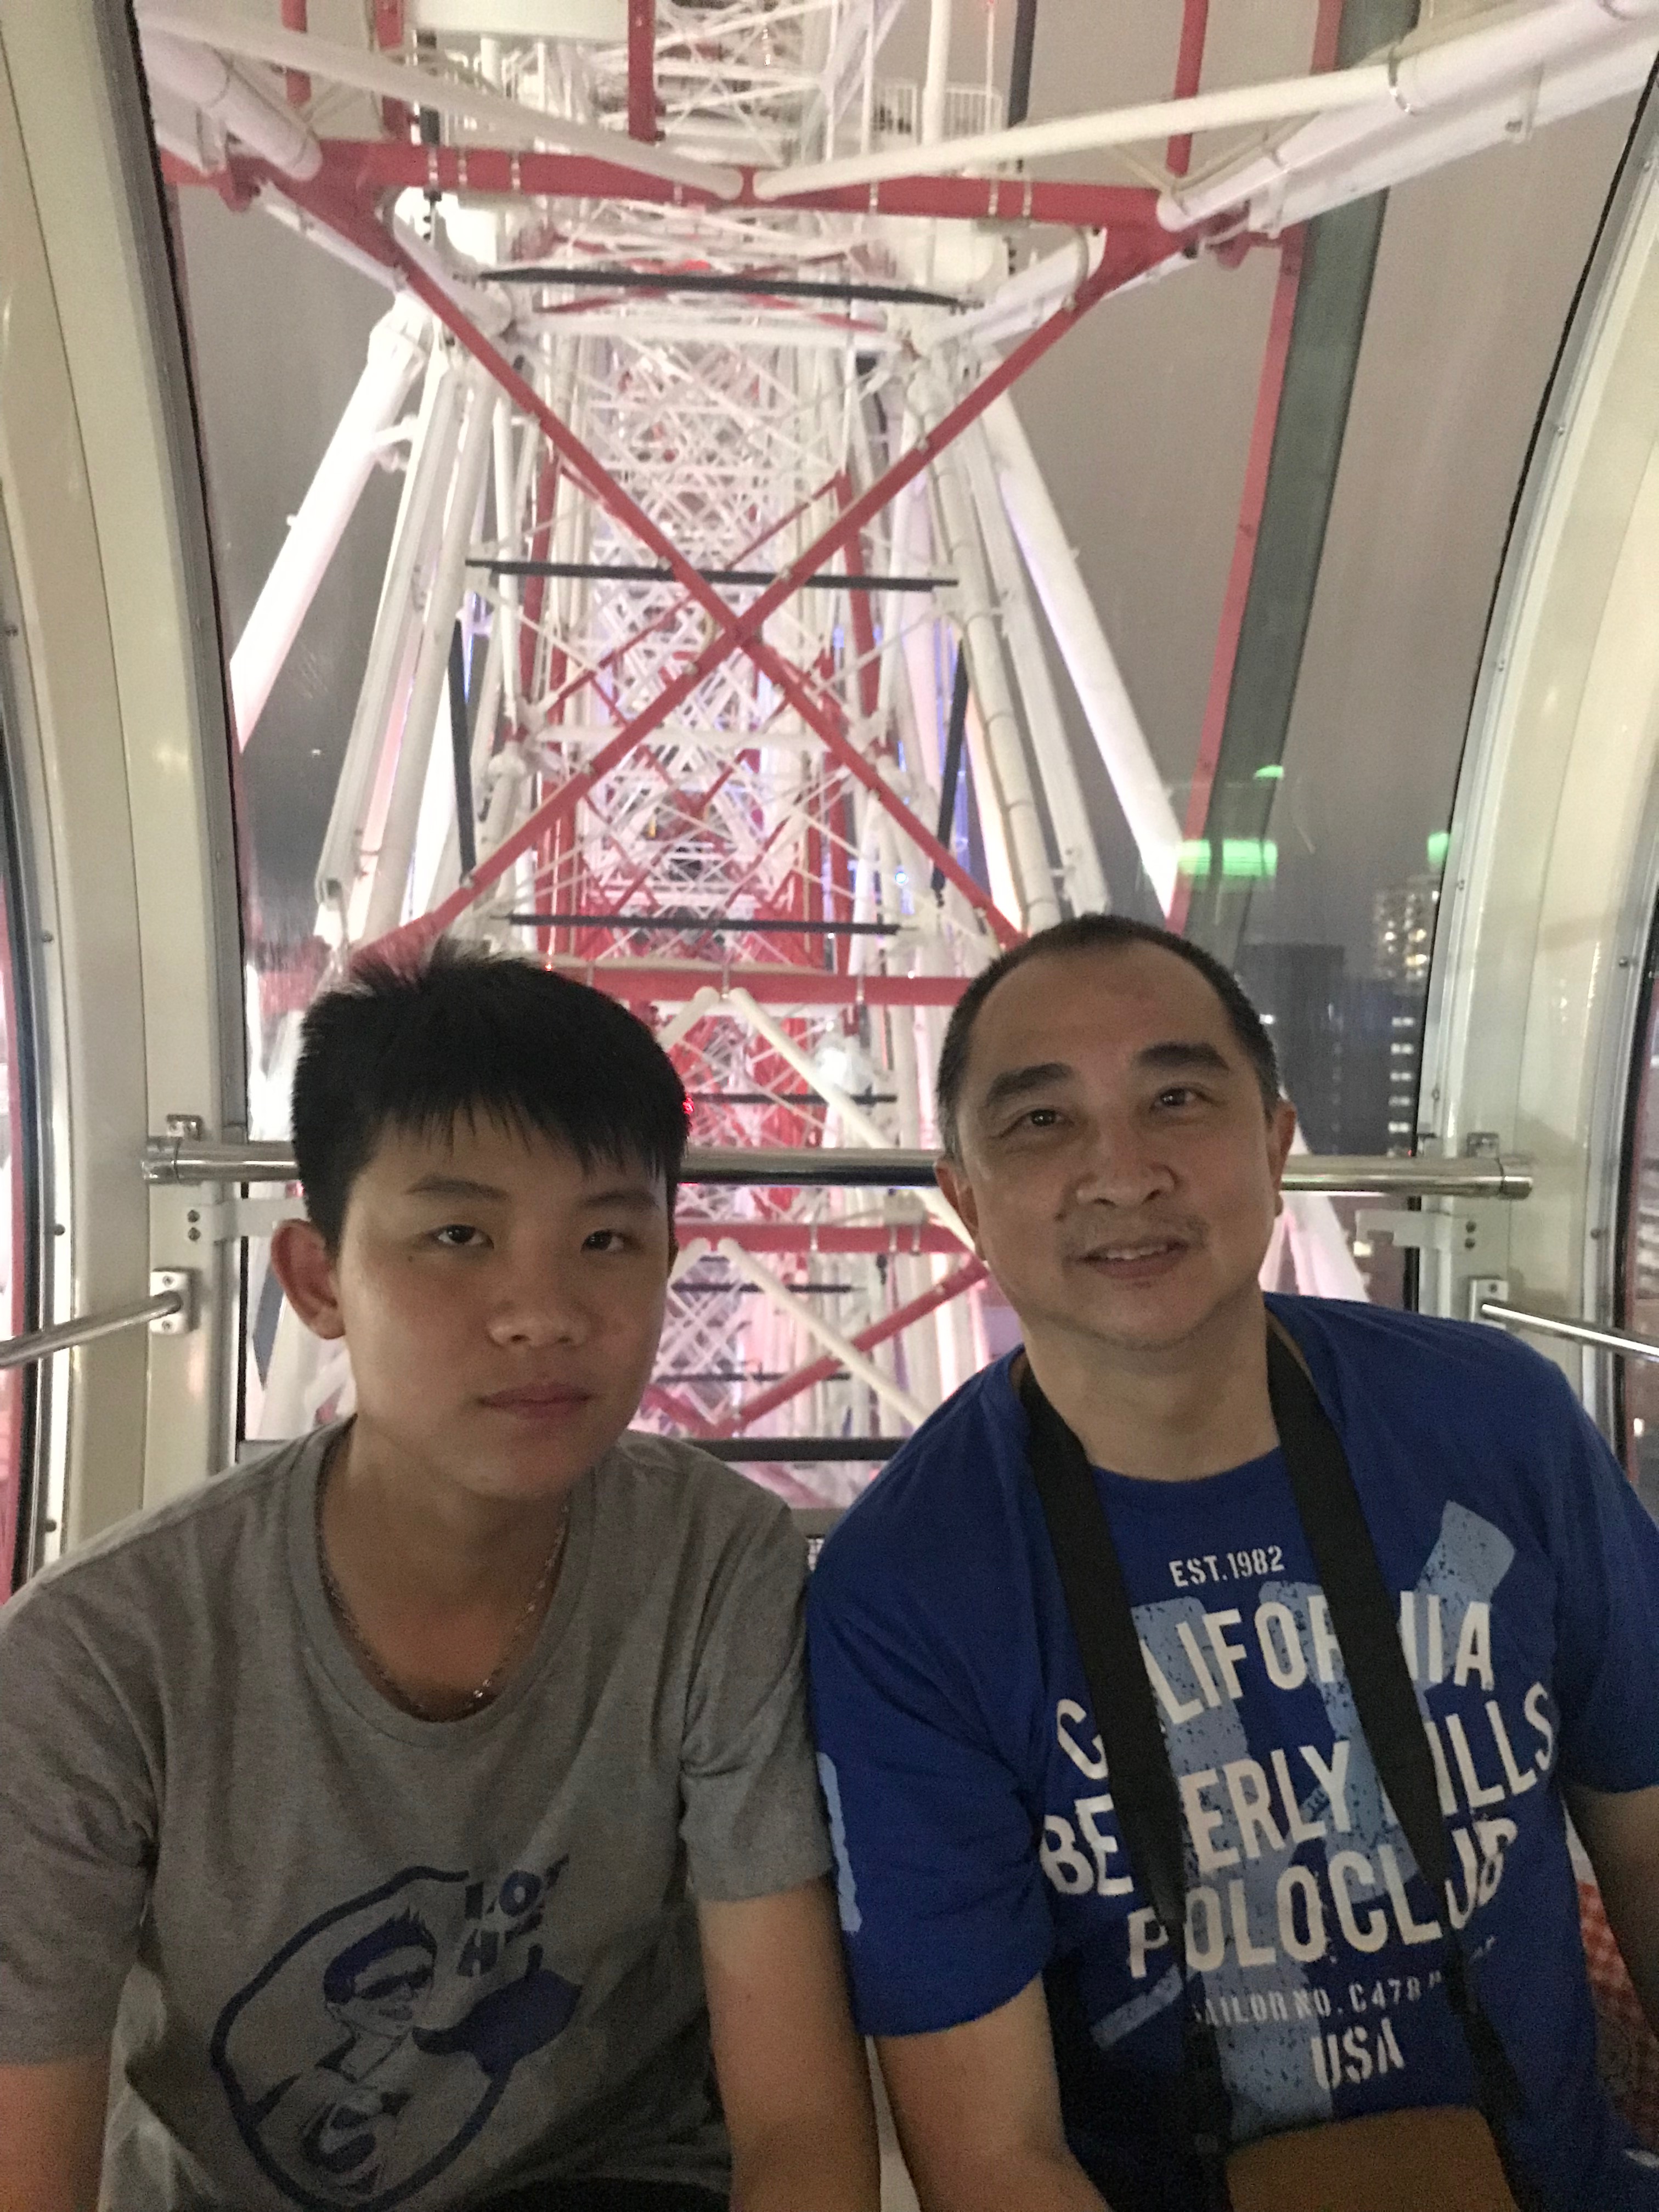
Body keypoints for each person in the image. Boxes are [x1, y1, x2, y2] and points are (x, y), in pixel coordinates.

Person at [0, 948, 878, 2212]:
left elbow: (798, 2123)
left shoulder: (713, 1560)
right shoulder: (96, 1661)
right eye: (458, 1237)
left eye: (608, 1239)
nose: (544, 1312)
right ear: (317, 1280)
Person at [806, 912, 1659, 2212]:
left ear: (1275, 1143)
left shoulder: (1500, 1422)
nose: (1121, 1172)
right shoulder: (904, 1593)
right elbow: (994, 2155)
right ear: (964, 1199)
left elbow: (1647, 1835)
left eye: (1178, 1098)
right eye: (1041, 1121)